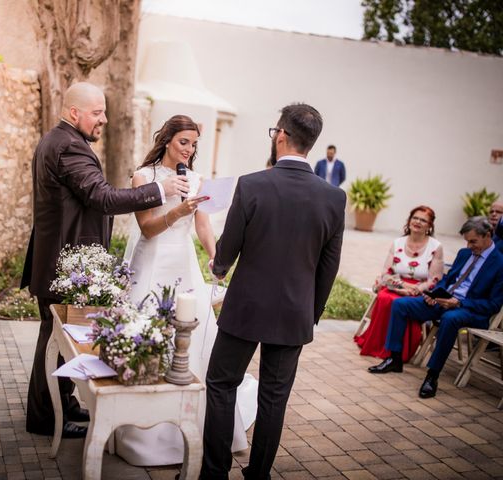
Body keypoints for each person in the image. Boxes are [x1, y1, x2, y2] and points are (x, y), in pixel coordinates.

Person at [20, 82, 189, 439]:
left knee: (59, 340)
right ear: (74, 113)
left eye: (104, 112)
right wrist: (160, 190)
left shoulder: (59, 140)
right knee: (54, 340)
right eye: (97, 113)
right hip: (64, 265)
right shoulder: (69, 147)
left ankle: (64, 404)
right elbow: (103, 197)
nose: (104, 120)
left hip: (58, 259)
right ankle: (44, 417)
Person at [201, 104, 346, 480]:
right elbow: (328, 267)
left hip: (245, 308)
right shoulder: (334, 198)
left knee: (220, 384)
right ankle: (258, 475)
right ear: (311, 143)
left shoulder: (251, 184)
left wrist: (217, 269)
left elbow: (229, 246)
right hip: (294, 313)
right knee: (274, 397)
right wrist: (308, 313)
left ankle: (214, 473)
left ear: (280, 135)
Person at [117, 115, 258, 466]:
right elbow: (147, 229)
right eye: (184, 142)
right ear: (166, 140)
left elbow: (203, 223)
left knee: (196, 342)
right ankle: (142, 434)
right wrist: (176, 209)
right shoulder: (143, 176)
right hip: (150, 265)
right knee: (148, 339)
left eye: (194, 144)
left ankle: (197, 428)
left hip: (184, 267)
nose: (189, 150)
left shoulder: (194, 179)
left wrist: (215, 259)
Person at [368, 217, 503, 399]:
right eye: (467, 241)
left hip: (470, 310)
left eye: (473, 241)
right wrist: (435, 294)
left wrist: (459, 302)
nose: (469, 246)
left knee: (450, 318)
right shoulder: (464, 254)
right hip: (443, 302)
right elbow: (450, 279)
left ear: (487, 235)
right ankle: (395, 359)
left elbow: (493, 305)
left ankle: (433, 375)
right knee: (400, 305)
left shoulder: (499, 263)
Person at [354, 206, 444, 361]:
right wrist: (402, 286)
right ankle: (377, 345)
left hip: (420, 289)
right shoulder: (398, 243)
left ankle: (398, 351)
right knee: (384, 297)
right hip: (396, 284)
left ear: (429, 226)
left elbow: (434, 279)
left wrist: (415, 289)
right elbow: (386, 273)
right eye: (415, 218)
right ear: (409, 220)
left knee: (401, 302)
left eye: (423, 220)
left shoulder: (435, 247)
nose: (417, 222)